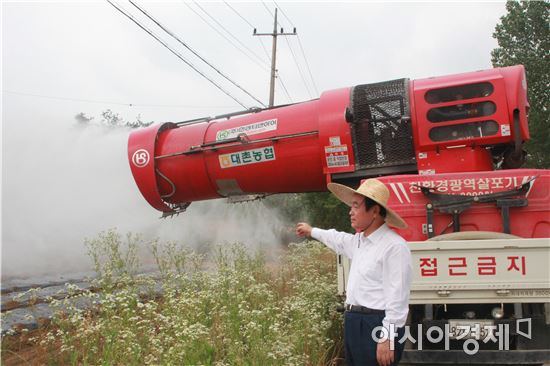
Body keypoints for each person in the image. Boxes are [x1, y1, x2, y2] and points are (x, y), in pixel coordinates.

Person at [296, 178, 412, 366]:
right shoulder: (359, 241)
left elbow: (398, 299)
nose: (351, 211)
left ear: (374, 211)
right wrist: (312, 231)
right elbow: (337, 239)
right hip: (354, 321)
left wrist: (387, 337)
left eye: (356, 206)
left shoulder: (394, 247)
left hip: (376, 325)